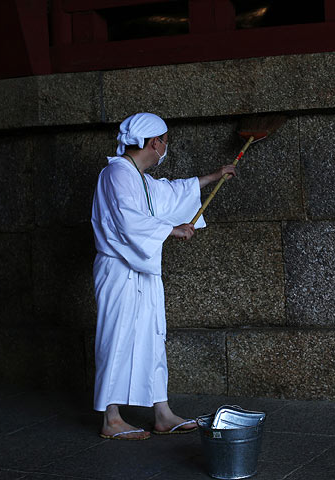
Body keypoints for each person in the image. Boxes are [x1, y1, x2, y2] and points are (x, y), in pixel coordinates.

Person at [91, 112, 236, 440]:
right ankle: (111, 419)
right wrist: (170, 230)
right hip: (119, 272)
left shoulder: (138, 176)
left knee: (152, 339)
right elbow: (127, 220)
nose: (165, 147)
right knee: (117, 339)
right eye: (165, 141)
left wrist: (214, 177)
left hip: (141, 271)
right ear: (154, 142)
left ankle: (162, 413)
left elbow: (169, 194)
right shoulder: (116, 174)